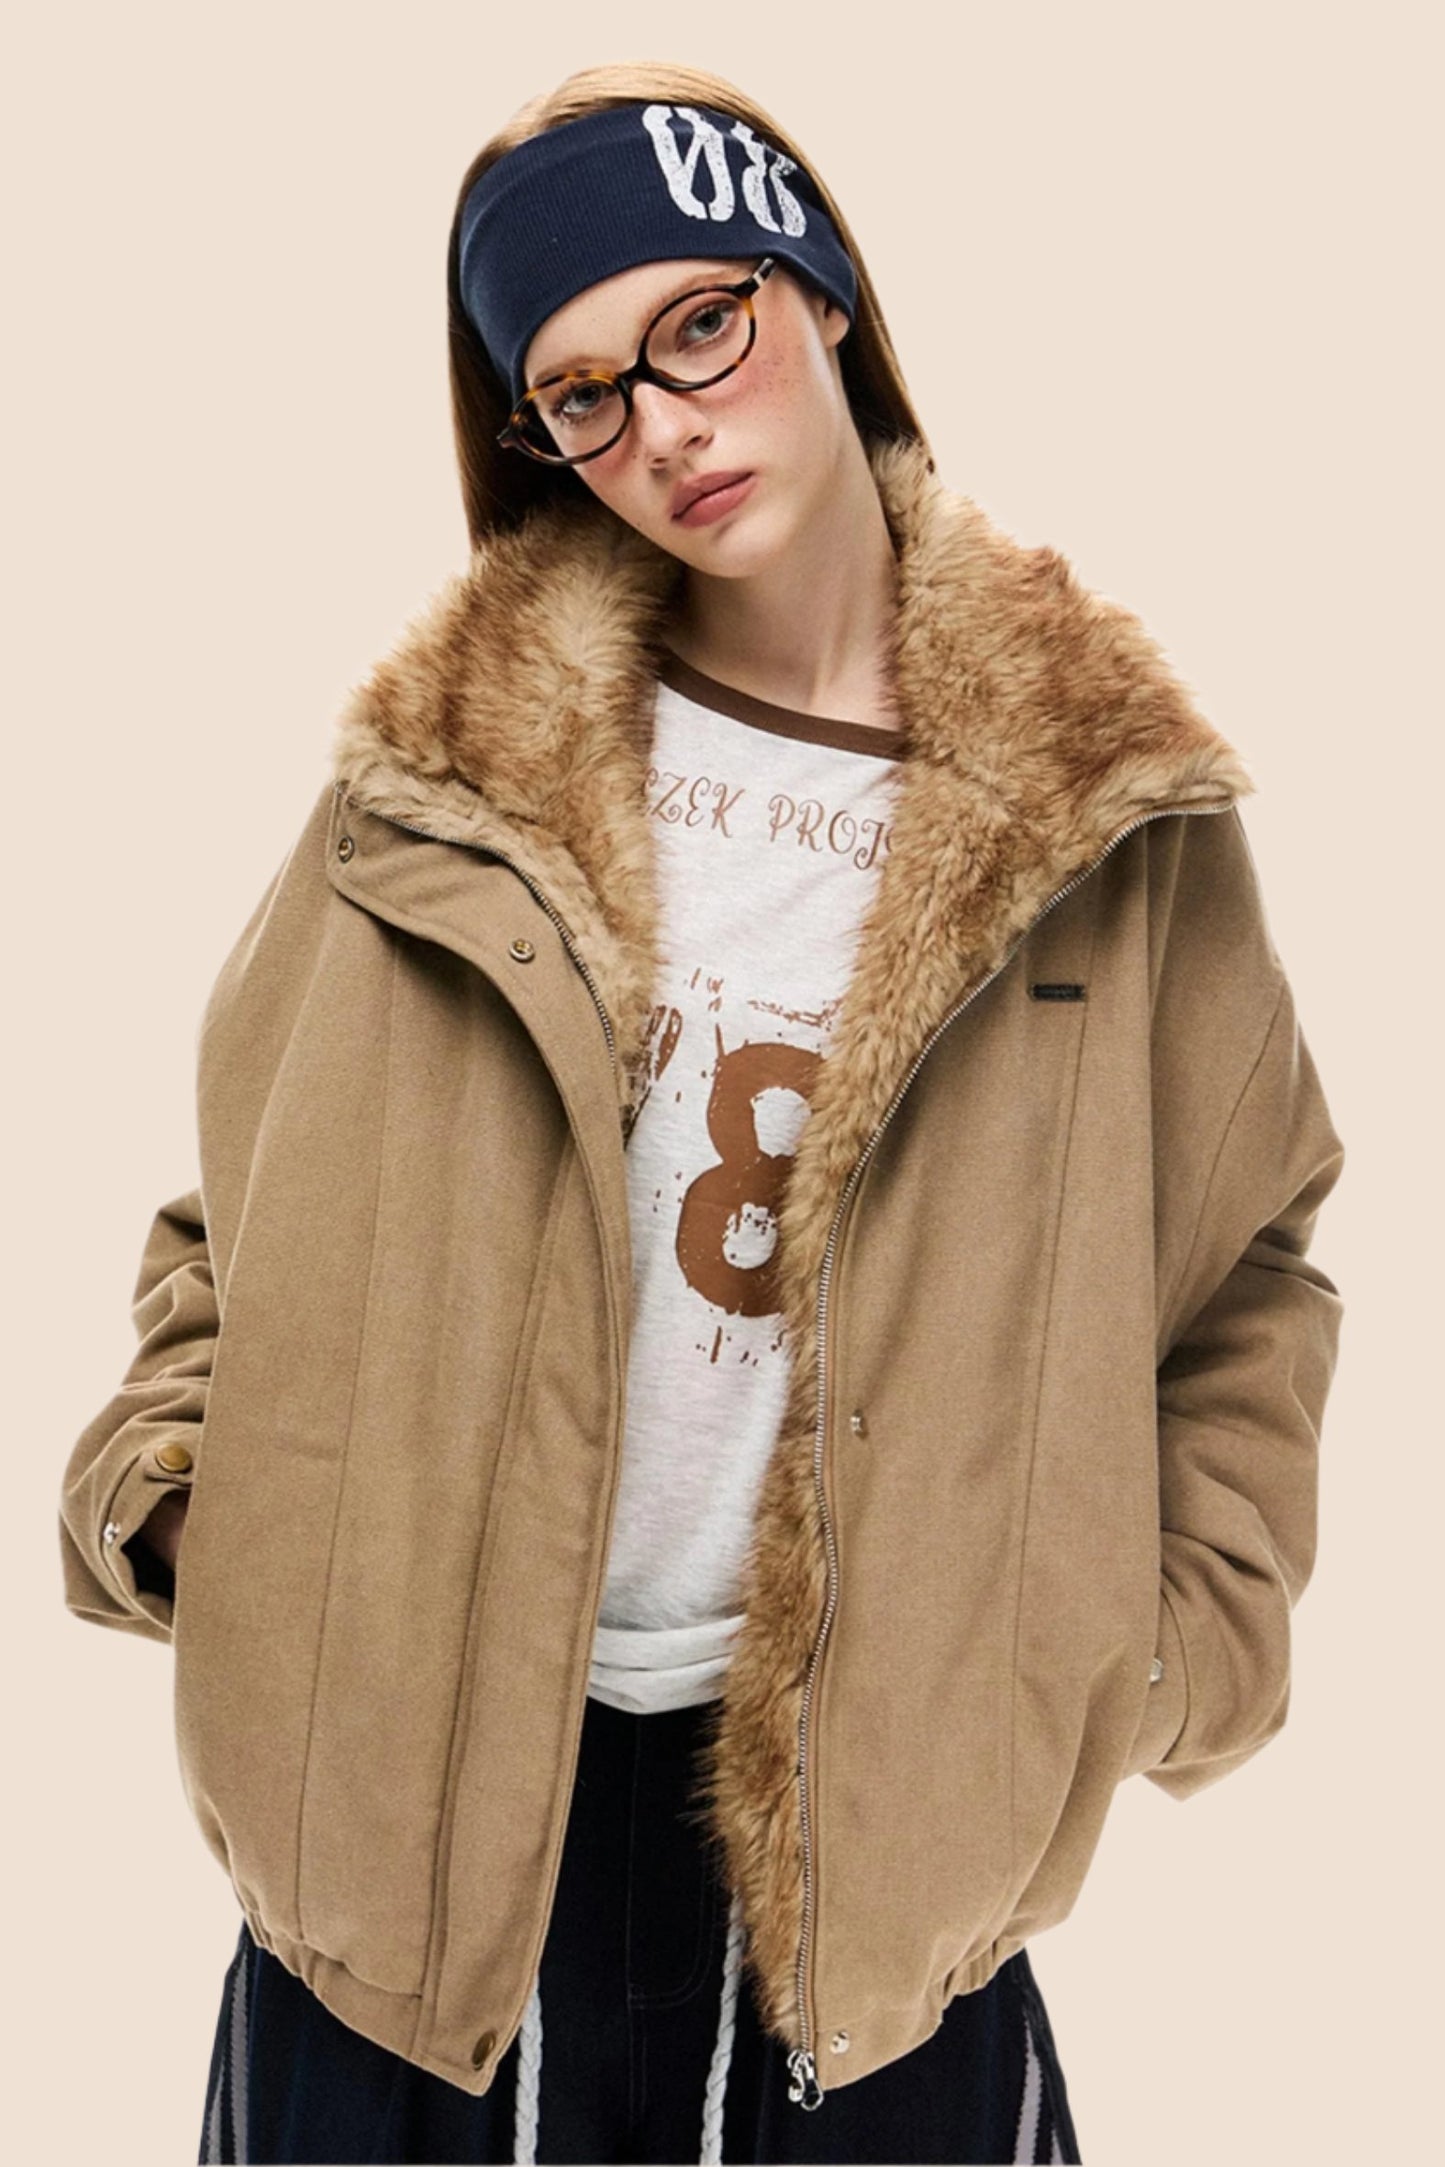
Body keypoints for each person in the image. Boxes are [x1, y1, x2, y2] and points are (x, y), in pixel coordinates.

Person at [57, 61, 1347, 2167]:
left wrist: (1146, 1652)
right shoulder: (440, 786)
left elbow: (1244, 1268)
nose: (661, 424)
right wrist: (206, 1513)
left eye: (699, 328)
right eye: (580, 392)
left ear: (818, 291)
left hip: (884, 1850)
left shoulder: (1102, 816)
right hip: (405, 1839)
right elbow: (241, 1212)